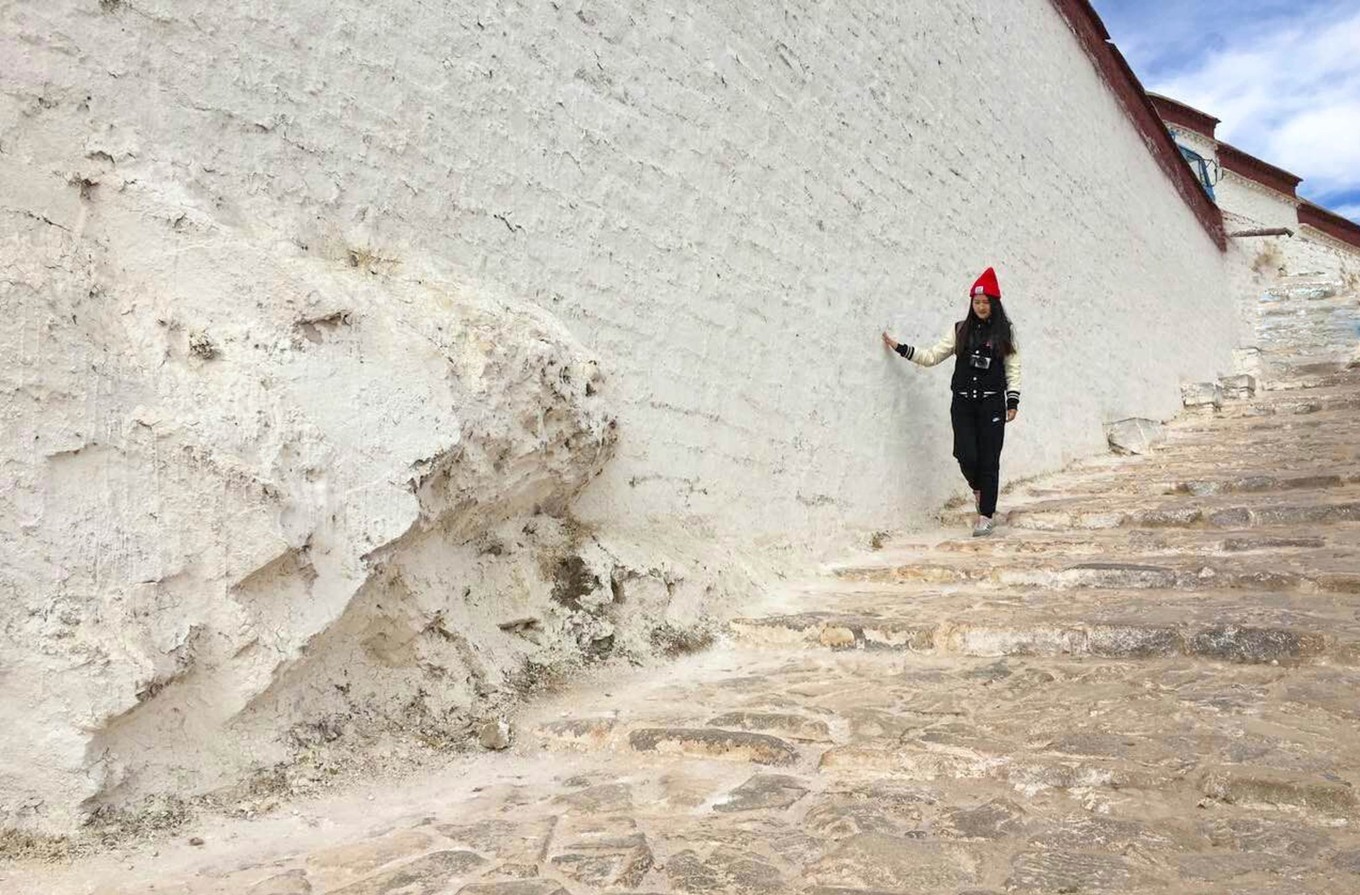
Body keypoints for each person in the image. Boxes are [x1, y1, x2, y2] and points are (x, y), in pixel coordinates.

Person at [881, 267, 1021, 537]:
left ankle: (986, 515)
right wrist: (901, 348)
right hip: (963, 404)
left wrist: (1012, 401)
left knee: (989, 459)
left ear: (994, 304)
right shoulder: (960, 331)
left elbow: (1013, 368)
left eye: (986, 302)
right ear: (971, 303)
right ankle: (978, 489)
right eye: (977, 302)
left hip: (992, 404)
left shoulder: (1006, 333)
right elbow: (932, 356)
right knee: (966, 455)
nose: (981, 307)